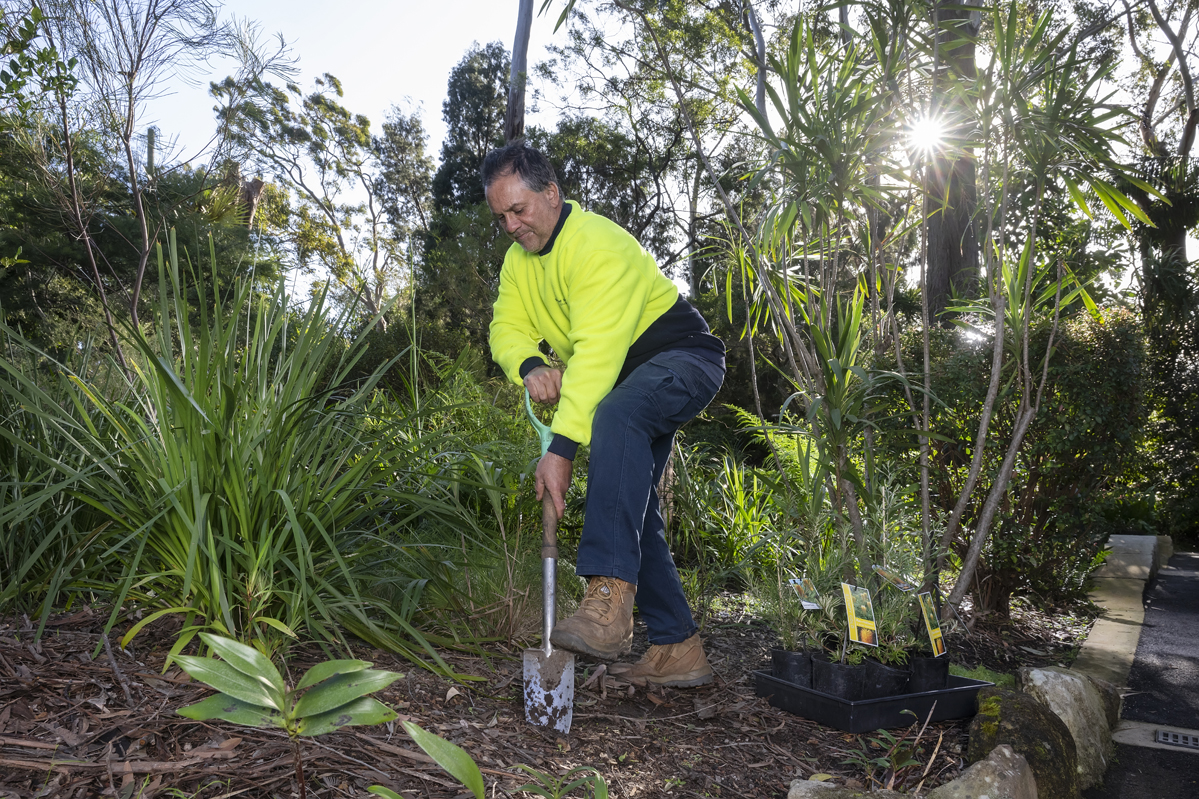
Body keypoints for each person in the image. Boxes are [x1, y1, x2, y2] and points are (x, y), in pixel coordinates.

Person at [484, 141, 726, 688]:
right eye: (501, 217)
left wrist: (562, 449)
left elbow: (595, 355)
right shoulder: (518, 264)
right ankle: (677, 646)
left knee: (615, 416)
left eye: (519, 209)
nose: (511, 225)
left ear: (551, 193)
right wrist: (528, 364)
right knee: (630, 506)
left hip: (682, 360)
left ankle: (608, 600)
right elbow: (506, 325)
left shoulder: (597, 244)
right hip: (624, 382)